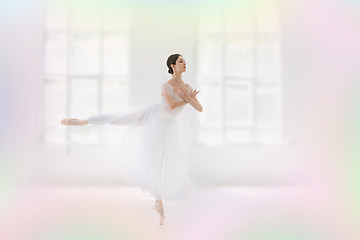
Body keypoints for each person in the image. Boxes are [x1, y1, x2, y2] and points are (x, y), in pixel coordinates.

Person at [61, 54, 203, 225]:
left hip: (169, 125)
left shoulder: (187, 87)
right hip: (154, 116)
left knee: (159, 164)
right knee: (120, 118)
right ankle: (84, 121)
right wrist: (187, 100)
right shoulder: (167, 85)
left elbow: (199, 108)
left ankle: (158, 203)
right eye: (181, 61)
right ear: (173, 66)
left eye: (185, 61)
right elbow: (171, 106)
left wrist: (189, 99)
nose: (185, 63)